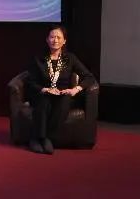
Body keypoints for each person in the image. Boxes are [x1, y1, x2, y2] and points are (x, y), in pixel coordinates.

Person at [25, 25, 95, 155]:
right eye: (52, 37)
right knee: (44, 101)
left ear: (64, 41)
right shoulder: (39, 58)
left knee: (65, 101)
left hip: (63, 94)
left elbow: (89, 77)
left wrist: (76, 89)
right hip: (44, 93)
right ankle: (40, 138)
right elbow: (31, 82)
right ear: (47, 40)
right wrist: (45, 89)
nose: (55, 40)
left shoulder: (70, 58)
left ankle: (42, 138)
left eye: (58, 37)